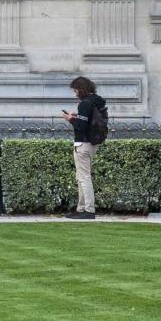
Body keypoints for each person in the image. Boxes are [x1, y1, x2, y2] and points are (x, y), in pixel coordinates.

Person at [62, 76, 106, 219]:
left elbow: (81, 126)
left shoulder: (84, 104)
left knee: (84, 178)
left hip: (83, 144)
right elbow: (87, 121)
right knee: (81, 177)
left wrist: (71, 119)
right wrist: (77, 116)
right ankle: (81, 209)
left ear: (81, 89)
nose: (75, 94)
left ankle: (88, 210)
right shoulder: (95, 101)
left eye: (75, 91)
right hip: (92, 144)